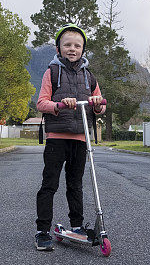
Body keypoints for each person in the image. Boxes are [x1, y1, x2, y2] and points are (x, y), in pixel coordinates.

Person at [34, 24, 105, 251]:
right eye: (67, 45)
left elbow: (101, 106)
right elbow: (41, 103)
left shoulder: (89, 77)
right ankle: (42, 231)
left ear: (83, 50)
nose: (72, 49)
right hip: (56, 138)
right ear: (58, 48)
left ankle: (76, 226)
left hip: (80, 138)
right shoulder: (52, 72)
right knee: (50, 185)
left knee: (75, 185)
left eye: (77, 45)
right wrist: (58, 105)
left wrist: (97, 104)